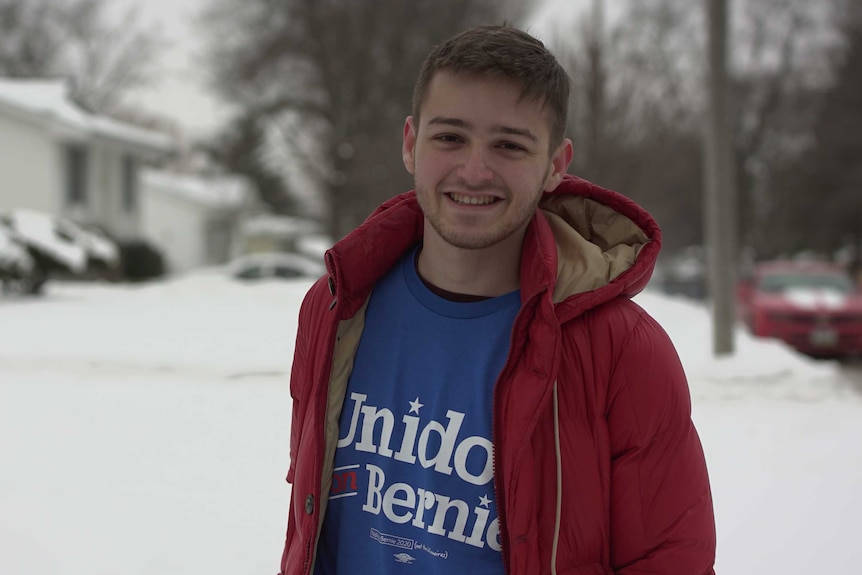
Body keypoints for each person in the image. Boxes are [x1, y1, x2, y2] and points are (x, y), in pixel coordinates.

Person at [278, 24, 716, 575]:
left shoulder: (622, 350)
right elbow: (313, 517)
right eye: (450, 137)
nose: (474, 170)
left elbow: (668, 560)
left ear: (556, 164)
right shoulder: (338, 307)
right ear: (412, 143)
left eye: (509, 145)